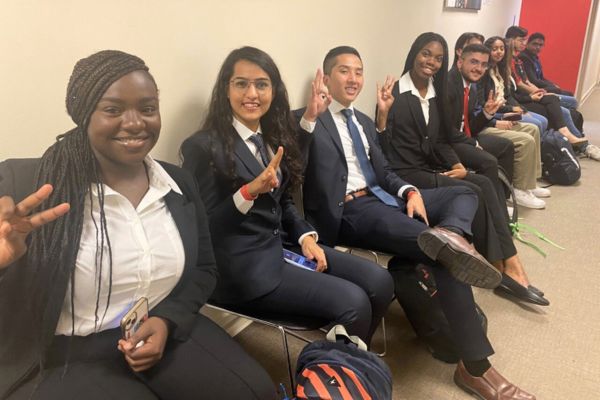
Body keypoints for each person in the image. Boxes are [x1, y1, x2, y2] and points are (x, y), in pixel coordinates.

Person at [0, 50, 276, 400]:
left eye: (147, 109)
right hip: (62, 356)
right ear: (85, 114)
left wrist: (166, 320)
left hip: (156, 328)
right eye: (113, 110)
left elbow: (204, 268)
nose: (135, 123)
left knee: (258, 391)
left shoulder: (177, 183)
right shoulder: (24, 185)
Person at [297, 45, 536, 400]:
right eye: (344, 71)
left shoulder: (362, 121)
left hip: (385, 198)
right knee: (439, 250)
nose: (353, 79)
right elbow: (293, 173)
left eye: (358, 72)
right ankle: (476, 369)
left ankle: (453, 235)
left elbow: (385, 170)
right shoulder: (305, 119)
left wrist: (408, 190)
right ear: (327, 76)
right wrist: (309, 122)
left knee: (467, 192)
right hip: (351, 212)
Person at [180, 46, 394, 347]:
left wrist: (306, 236)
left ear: (273, 91)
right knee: (354, 302)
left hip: (282, 245)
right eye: (241, 83)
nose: (251, 93)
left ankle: (350, 362)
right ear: (225, 90)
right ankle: (337, 377)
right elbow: (203, 228)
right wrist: (247, 193)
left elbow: (285, 201)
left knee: (380, 282)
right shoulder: (203, 147)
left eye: (261, 84)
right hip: (243, 267)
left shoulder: (271, 135)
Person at [382, 32, 547, 306]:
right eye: (426, 54)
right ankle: (507, 267)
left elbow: (442, 139)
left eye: (438, 58)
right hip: (407, 172)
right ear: (414, 54)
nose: (431, 62)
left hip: (430, 166)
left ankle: (505, 263)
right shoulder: (397, 93)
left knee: (481, 182)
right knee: (475, 187)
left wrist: (457, 165)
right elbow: (385, 150)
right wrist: (382, 115)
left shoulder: (436, 91)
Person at [450, 43, 550, 210]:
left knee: (506, 146)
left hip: (468, 134)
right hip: (452, 141)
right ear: (460, 61)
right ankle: (496, 205)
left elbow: (472, 124)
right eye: (474, 62)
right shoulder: (450, 86)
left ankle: (505, 196)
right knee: (489, 160)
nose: (479, 68)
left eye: (483, 64)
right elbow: (448, 129)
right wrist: (474, 142)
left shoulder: (471, 87)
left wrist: (487, 114)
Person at [505, 26, 590, 152]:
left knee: (561, 104)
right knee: (562, 107)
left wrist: (539, 91)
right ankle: (575, 141)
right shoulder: (512, 60)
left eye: (524, 40)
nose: (524, 43)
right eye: (521, 40)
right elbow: (520, 85)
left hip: (526, 96)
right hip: (520, 99)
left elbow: (526, 81)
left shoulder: (517, 59)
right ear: (510, 40)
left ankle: (576, 140)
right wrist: (534, 94)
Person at [482, 36, 549, 137]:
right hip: (496, 111)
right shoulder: (484, 72)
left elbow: (508, 95)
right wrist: (512, 109)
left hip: (507, 107)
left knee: (543, 120)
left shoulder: (500, 69)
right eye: (494, 49)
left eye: (502, 49)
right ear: (487, 50)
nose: (499, 52)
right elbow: (486, 104)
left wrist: (520, 108)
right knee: (537, 123)